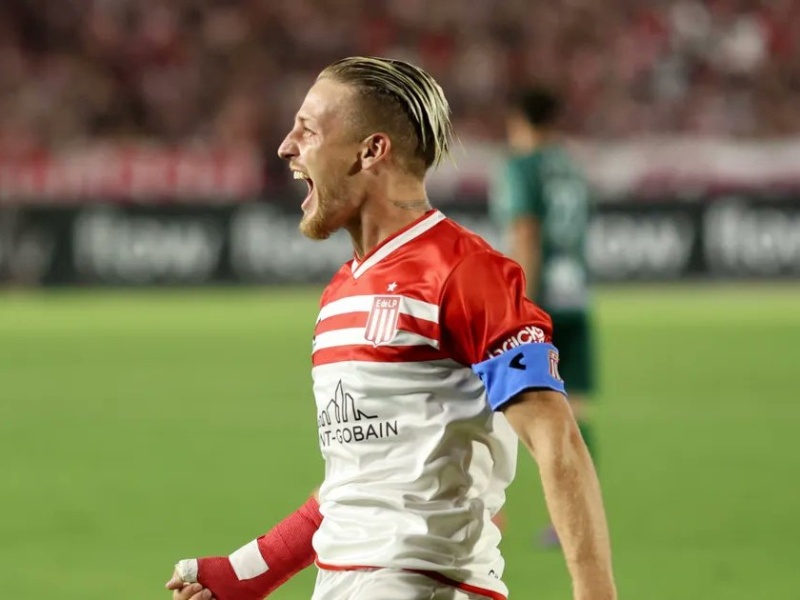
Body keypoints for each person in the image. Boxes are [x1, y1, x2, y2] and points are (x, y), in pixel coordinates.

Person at [165, 57, 615, 600]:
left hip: (423, 582)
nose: (286, 146)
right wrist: (246, 572)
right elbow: (357, 481)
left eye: (308, 130)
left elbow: (557, 438)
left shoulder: (463, 272)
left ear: (371, 150)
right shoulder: (342, 291)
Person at [489, 86, 597, 549]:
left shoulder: (522, 167)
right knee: (576, 410)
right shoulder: (571, 167)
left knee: (498, 400)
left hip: (542, 298)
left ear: (519, 121)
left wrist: (522, 303)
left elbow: (526, 232)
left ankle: (481, 509)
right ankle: (579, 518)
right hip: (577, 295)